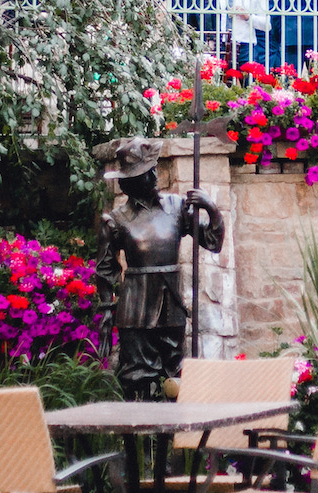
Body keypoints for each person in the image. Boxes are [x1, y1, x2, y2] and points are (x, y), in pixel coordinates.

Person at [95, 138, 226, 400]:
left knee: (175, 378)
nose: (154, 175)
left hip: (171, 306)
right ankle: (133, 438)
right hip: (135, 308)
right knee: (134, 379)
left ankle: (169, 438)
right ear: (130, 182)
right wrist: (107, 315)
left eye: (153, 168)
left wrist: (212, 209)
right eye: (146, 172)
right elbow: (105, 271)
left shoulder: (177, 207)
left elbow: (212, 242)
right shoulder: (116, 220)